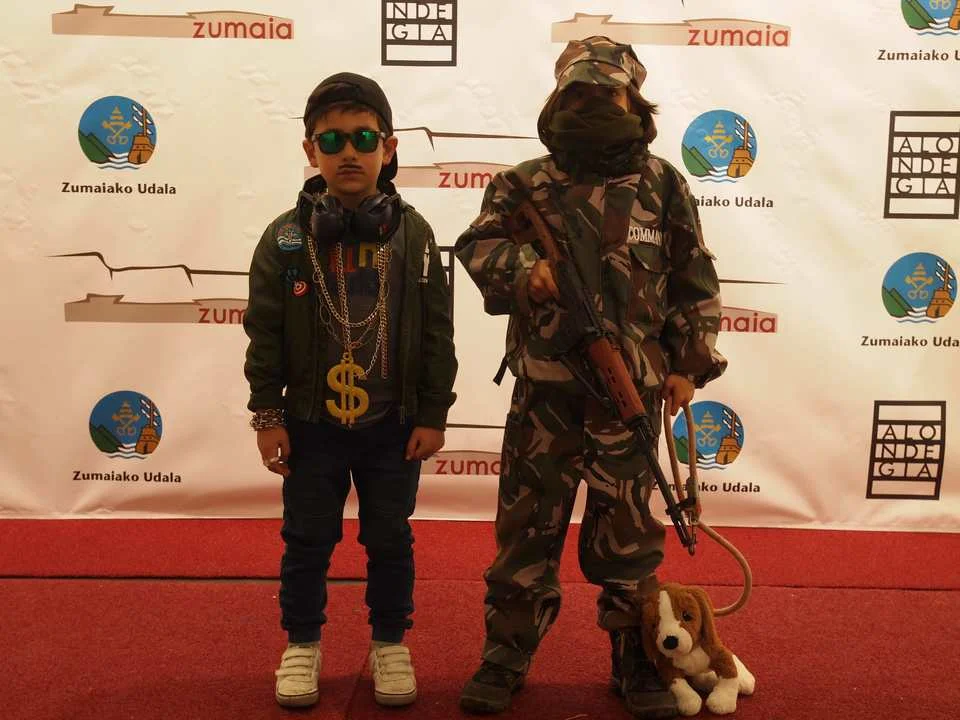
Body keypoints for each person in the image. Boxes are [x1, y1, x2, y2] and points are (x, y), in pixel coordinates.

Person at [454, 37, 726, 719]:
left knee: (630, 547)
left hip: (628, 402)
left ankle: (639, 663)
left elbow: (694, 279)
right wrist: (527, 271)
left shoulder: (664, 184)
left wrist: (688, 366)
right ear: (558, 98)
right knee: (526, 538)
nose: (593, 103)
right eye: (578, 92)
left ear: (633, 100)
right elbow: (478, 246)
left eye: (607, 93)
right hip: (544, 398)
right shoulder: (521, 184)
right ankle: (505, 655)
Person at [242, 72, 457, 709]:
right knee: (307, 539)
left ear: (388, 148)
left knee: (389, 538)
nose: (348, 152)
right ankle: (302, 643)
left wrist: (433, 414)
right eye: (331, 140)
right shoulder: (285, 238)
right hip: (312, 425)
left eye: (363, 137)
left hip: (393, 426)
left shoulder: (414, 235)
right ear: (311, 151)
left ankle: (390, 643)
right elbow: (264, 335)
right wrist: (268, 416)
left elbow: (438, 334)